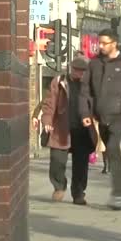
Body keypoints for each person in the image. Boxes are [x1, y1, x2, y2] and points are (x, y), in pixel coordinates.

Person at [80, 30, 121, 210]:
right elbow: (85, 91)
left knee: (111, 147)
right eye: (99, 43)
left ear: (114, 43)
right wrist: (85, 113)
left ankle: (119, 195)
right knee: (111, 152)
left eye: (104, 43)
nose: (100, 46)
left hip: (120, 114)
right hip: (102, 115)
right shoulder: (94, 64)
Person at [41, 56, 95, 205]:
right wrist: (47, 120)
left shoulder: (90, 84)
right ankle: (59, 186)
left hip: (82, 130)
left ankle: (78, 193)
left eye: (83, 71)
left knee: (81, 165)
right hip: (61, 128)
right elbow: (49, 103)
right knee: (57, 161)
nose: (80, 74)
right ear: (71, 69)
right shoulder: (59, 82)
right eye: (77, 70)